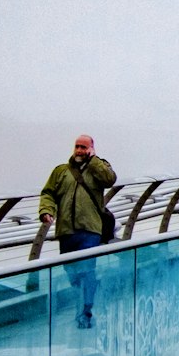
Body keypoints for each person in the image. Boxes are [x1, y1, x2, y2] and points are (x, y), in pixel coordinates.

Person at [38, 134, 117, 327]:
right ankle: (84, 301)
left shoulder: (99, 168)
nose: (79, 150)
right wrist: (46, 210)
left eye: (84, 147)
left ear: (91, 149)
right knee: (72, 274)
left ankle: (85, 313)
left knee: (87, 270)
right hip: (66, 232)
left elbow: (110, 179)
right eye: (77, 147)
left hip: (90, 230)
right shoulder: (61, 171)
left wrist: (94, 161)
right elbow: (48, 193)